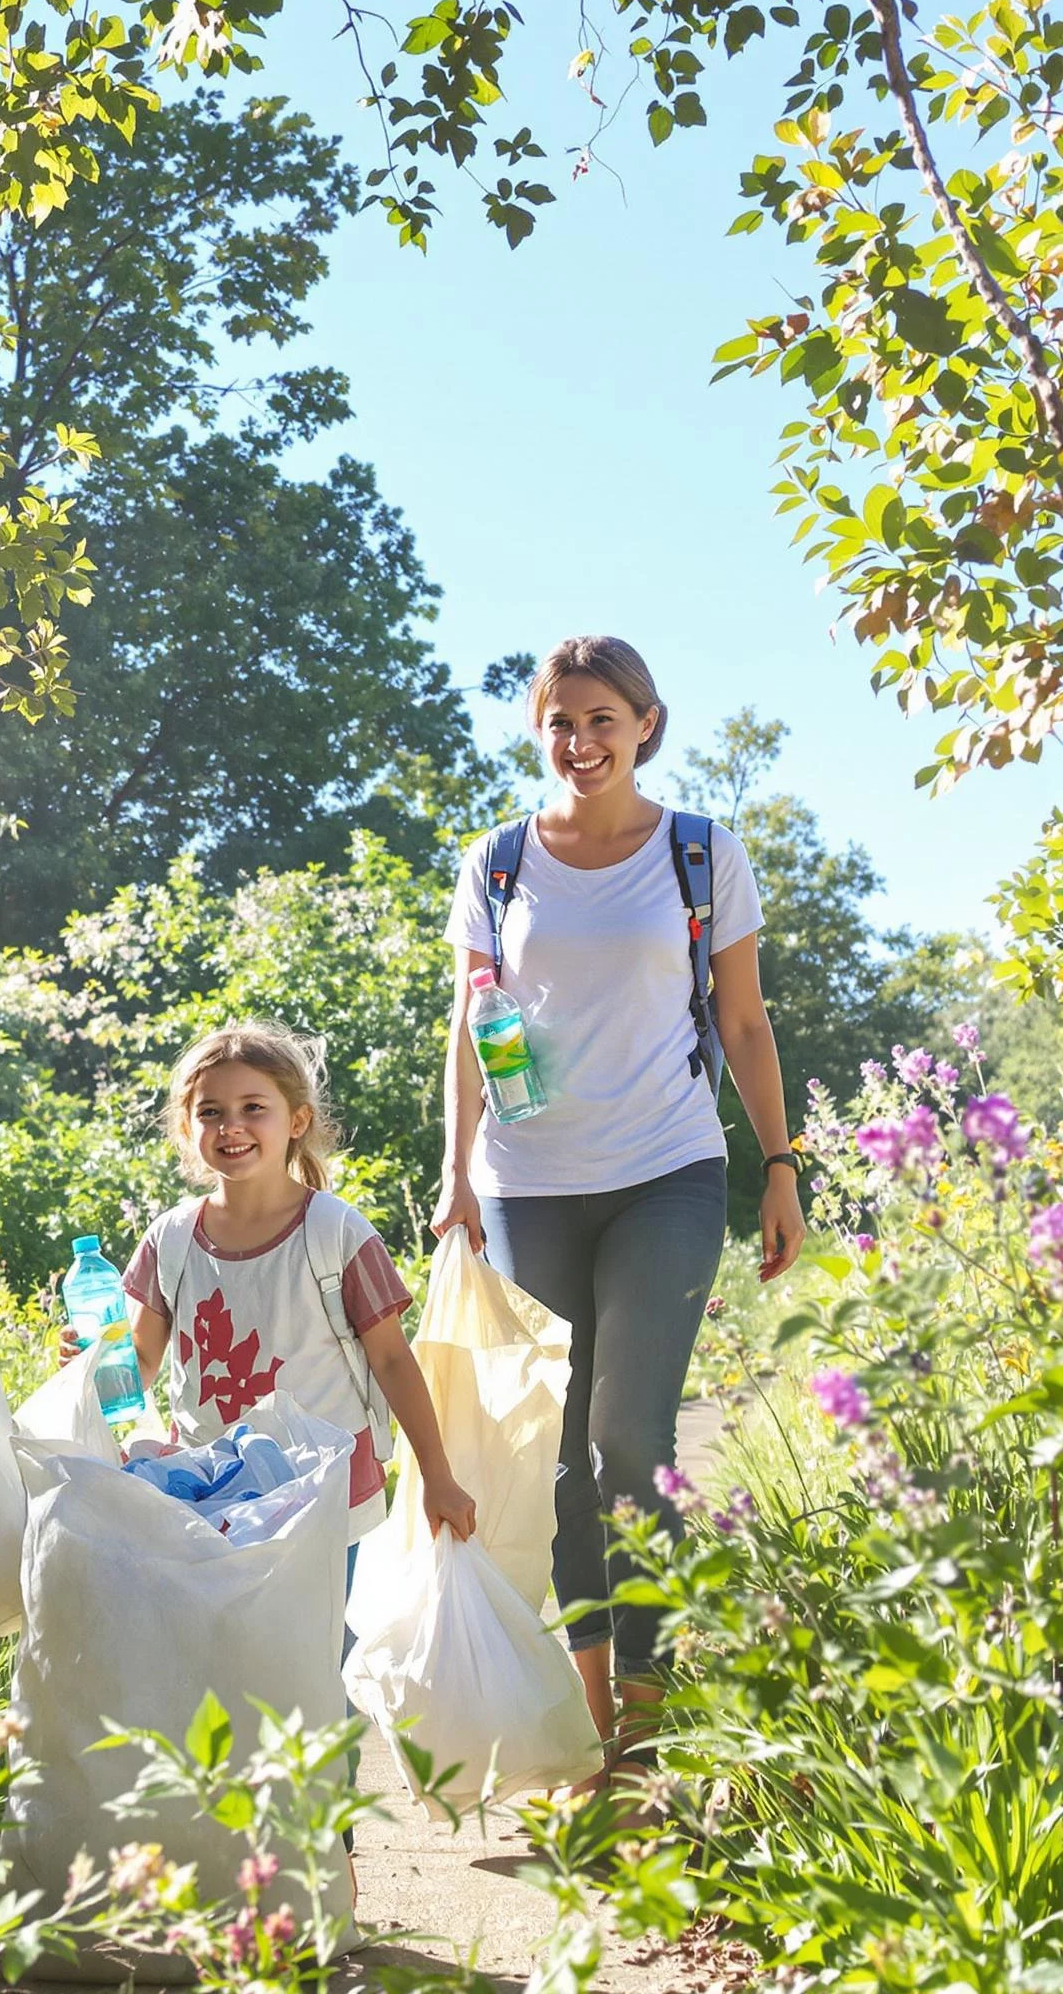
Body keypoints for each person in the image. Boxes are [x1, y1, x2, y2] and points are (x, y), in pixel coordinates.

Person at [433, 634, 804, 1784]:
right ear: (536, 731)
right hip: (525, 1182)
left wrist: (778, 1162)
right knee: (554, 1455)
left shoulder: (700, 852)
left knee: (627, 1439)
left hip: (665, 1168)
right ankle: (598, 1726)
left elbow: (741, 1020)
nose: (579, 741)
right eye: (559, 721)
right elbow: (465, 1027)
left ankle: (651, 1715)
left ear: (644, 722)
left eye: (601, 718)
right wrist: (452, 1174)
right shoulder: (496, 861)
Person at [104, 1021, 477, 1550]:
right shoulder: (171, 1239)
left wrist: (438, 1477)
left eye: (254, 1107)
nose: (231, 1126)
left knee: (322, 1612)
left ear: (298, 1120)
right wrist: (98, 1364)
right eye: (211, 1112)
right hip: (207, 1494)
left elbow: (393, 1360)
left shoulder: (337, 1233)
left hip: (323, 1495)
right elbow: (141, 1359)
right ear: (187, 1127)